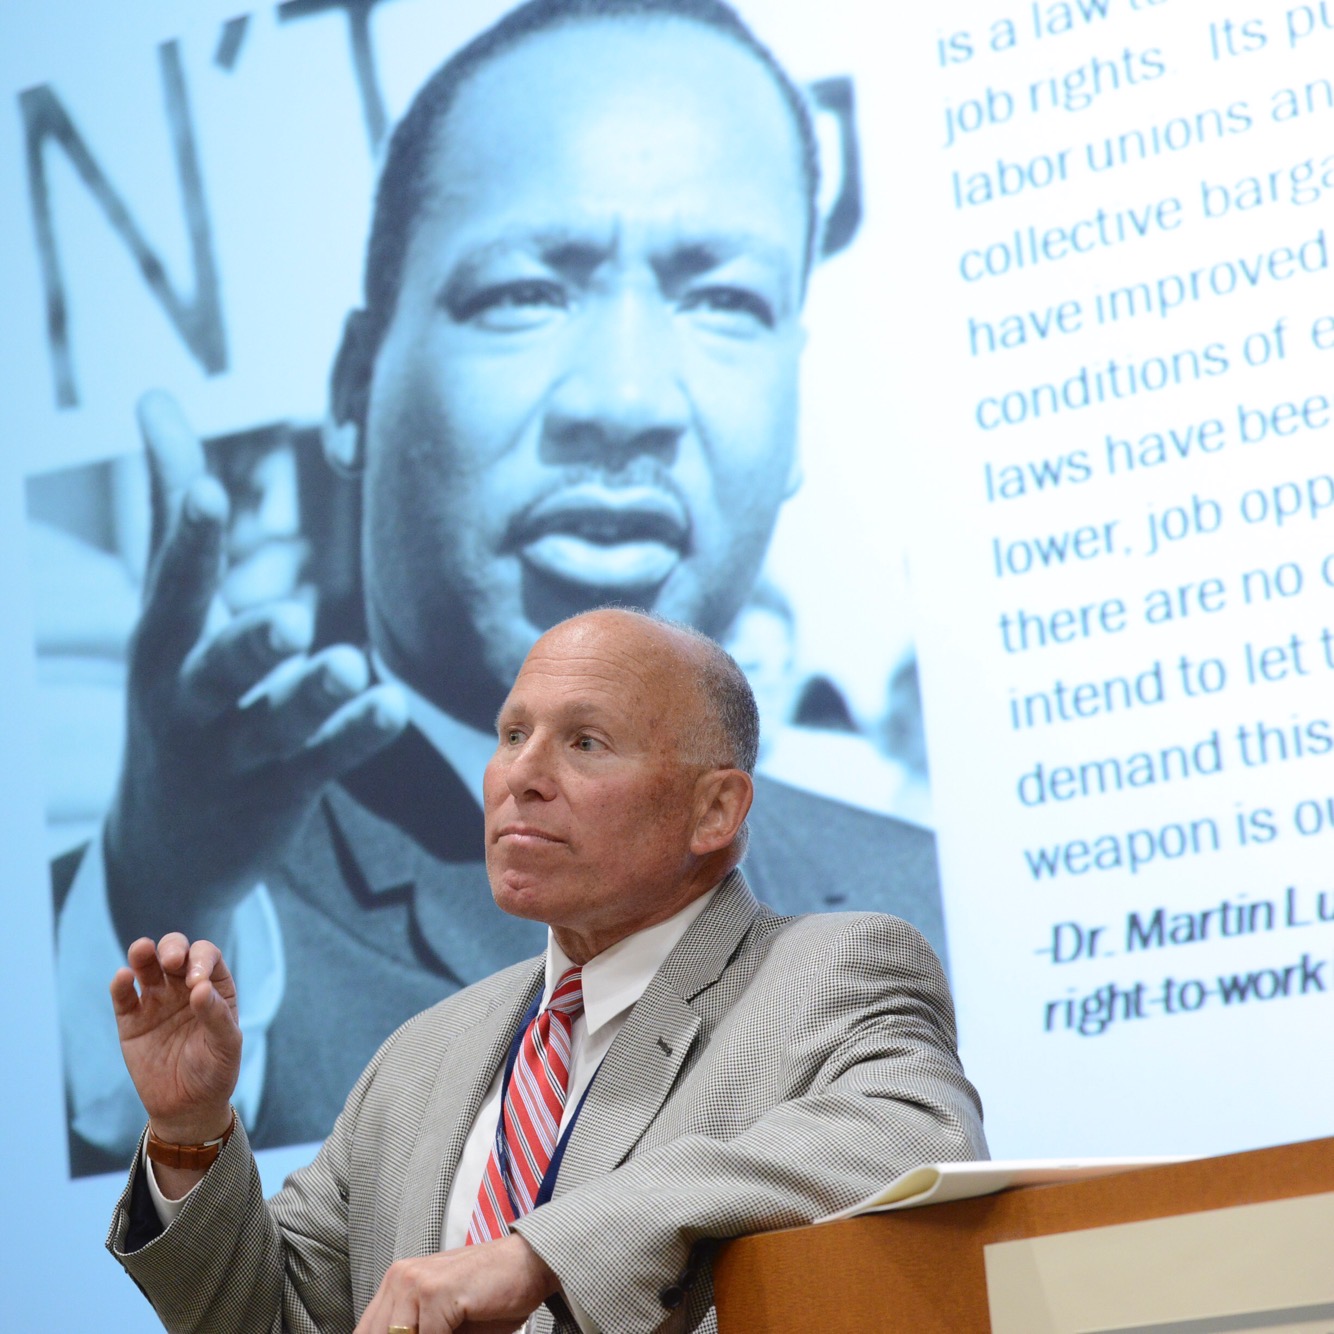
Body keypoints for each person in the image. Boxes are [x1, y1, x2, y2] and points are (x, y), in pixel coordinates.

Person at [57, 0, 944, 1171]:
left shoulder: (916, 903)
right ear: (352, 385)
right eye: (524, 293)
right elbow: (126, 1127)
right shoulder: (203, 899)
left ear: (792, 413)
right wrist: (164, 889)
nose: (624, 398)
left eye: (723, 299)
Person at [107, 608, 985, 1334]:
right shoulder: (420, 1056)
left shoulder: (830, 971)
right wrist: (191, 1133)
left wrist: (538, 1254)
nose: (518, 776)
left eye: (586, 742)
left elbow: (916, 1143)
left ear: (715, 807)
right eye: (513, 733)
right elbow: (269, 1318)